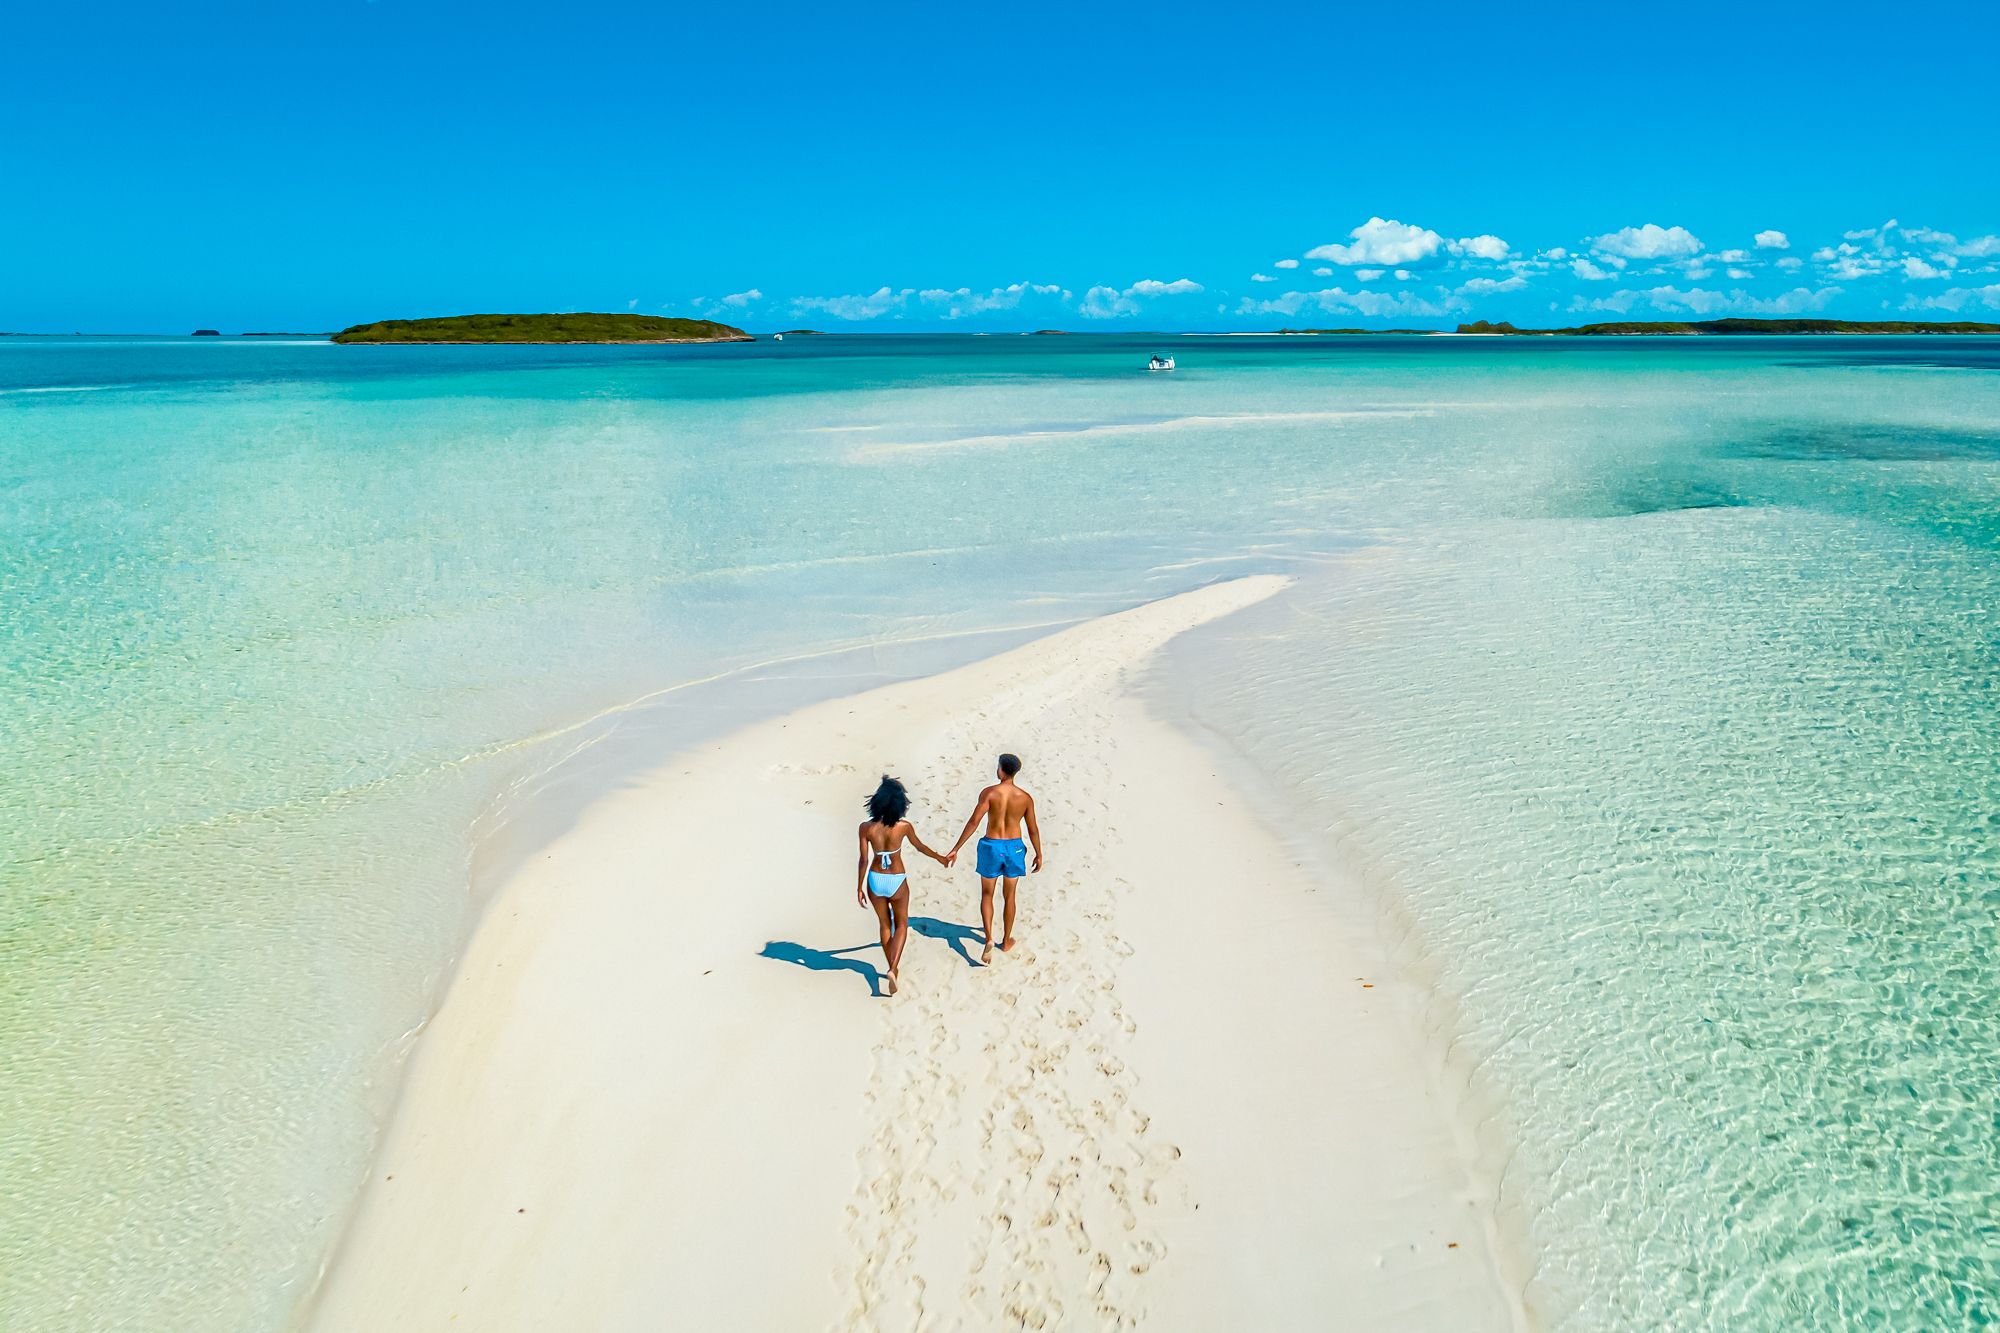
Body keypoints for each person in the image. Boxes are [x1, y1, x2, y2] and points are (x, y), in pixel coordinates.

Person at [945, 753, 1042, 964]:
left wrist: (956, 847)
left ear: (1001, 770)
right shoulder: (1025, 798)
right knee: (1010, 896)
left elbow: (974, 822)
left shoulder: (989, 793)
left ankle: (989, 937)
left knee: (987, 894)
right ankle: (1006, 940)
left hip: (991, 845)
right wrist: (1038, 853)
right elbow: (1032, 829)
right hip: (1014, 848)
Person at [857, 775, 947, 996]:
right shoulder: (904, 827)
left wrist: (859, 886)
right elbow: (920, 847)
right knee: (902, 924)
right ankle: (892, 968)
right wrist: (940, 858)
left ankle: (893, 969)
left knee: (885, 926)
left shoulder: (866, 828)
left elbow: (863, 860)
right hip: (897, 880)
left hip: (875, 878)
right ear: (900, 804)